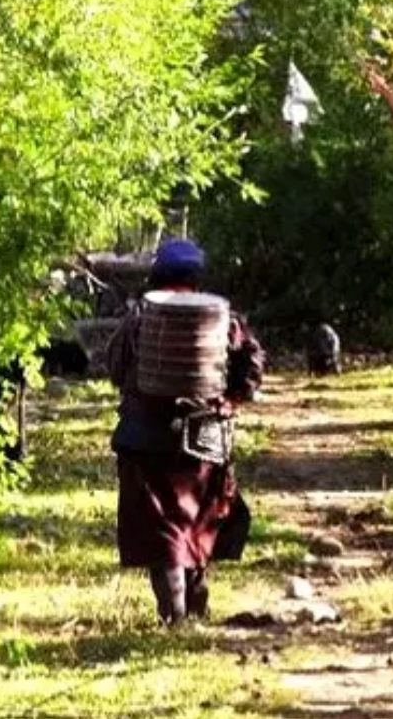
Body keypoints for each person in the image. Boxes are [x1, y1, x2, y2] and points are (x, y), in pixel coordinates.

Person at [106, 239, 265, 624]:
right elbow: (252, 368)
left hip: (144, 439)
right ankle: (194, 607)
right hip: (204, 441)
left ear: (156, 273)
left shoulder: (140, 316)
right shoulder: (223, 318)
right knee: (197, 523)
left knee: (161, 531)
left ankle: (174, 615)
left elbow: (115, 366)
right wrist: (229, 400)